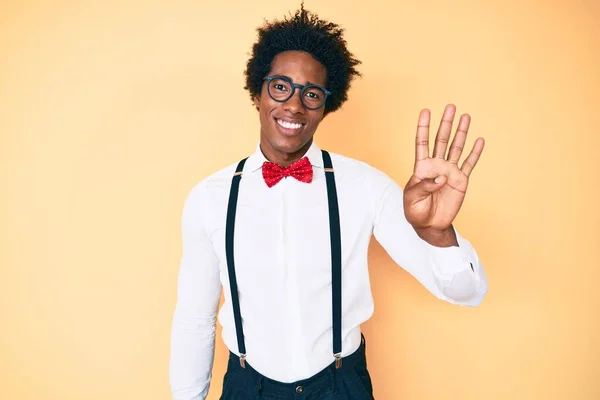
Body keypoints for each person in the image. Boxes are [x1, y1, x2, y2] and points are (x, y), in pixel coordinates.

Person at [169, 4, 488, 400]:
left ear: (325, 106)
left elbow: (467, 292)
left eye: (311, 94)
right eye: (280, 86)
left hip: (341, 386)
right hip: (247, 387)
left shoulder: (368, 186)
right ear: (258, 92)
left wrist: (436, 234)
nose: (293, 105)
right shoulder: (208, 198)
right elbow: (194, 320)